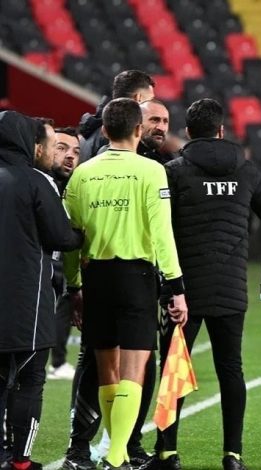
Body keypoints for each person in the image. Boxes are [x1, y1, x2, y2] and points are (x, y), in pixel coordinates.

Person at [152, 98, 261, 470]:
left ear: (188, 132)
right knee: (231, 369)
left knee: (173, 369)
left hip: (183, 290)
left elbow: (159, 228)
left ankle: (167, 453)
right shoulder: (245, 170)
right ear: (221, 130)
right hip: (230, 286)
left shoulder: (173, 171)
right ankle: (233, 455)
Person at [63, 98, 187, 470]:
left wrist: (75, 286)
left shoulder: (82, 174)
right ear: (137, 129)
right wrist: (176, 285)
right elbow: (162, 233)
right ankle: (117, 455)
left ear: (104, 130)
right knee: (134, 371)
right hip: (136, 278)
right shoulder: (151, 171)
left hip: (96, 279)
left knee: (108, 373)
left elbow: (72, 239)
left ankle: (112, 451)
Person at [0, 111, 83, 469]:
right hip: (27, 301)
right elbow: (61, 237)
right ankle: (21, 461)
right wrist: (82, 233)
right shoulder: (34, 181)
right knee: (30, 380)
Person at [47, 127, 82, 381]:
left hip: (59, 270)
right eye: (62, 148)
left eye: (76, 152)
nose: (70, 156)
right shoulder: (37, 185)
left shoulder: (70, 187)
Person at [79, 70, 155, 161]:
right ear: (138, 98)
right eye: (151, 100)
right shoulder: (118, 134)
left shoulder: (94, 128)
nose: (152, 104)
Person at [138, 99, 173, 165]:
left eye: (165, 121)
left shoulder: (169, 161)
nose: (161, 128)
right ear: (138, 122)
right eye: (155, 120)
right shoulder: (124, 157)